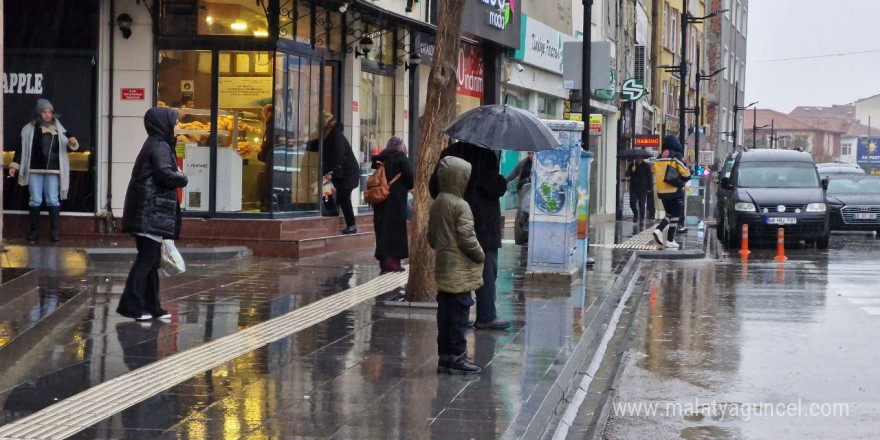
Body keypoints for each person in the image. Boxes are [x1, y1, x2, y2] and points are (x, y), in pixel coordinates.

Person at [117, 107, 189, 321]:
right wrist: (182, 178)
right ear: (164, 124)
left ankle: (152, 306)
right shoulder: (159, 146)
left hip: (149, 212)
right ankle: (132, 305)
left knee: (151, 259)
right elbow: (165, 175)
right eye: (175, 123)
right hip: (149, 212)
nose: (178, 127)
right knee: (147, 260)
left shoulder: (158, 144)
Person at [429, 141, 510, 330]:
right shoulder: (486, 155)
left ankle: (455, 315)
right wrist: (501, 180)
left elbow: (434, 187)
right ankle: (486, 315)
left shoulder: (448, 154)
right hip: (483, 224)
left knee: (454, 269)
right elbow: (495, 188)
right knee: (487, 271)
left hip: (452, 223)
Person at [428, 156, 485, 375]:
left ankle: (445, 356)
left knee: (445, 316)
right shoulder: (461, 206)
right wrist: (480, 255)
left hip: (444, 268)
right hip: (459, 271)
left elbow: (431, 237)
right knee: (460, 317)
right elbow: (467, 238)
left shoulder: (438, 202)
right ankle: (458, 357)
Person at [9, 99, 80, 242]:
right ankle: (34, 232)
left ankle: (54, 232)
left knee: (53, 199)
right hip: (34, 169)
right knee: (35, 200)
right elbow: (21, 149)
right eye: (44, 112)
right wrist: (14, 165)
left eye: (50, 112)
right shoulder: (28, 130)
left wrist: (73, 143)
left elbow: (69, 146)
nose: (47, 115)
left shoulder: (61, 131)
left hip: (53, 170)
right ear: (39, 113)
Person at [308, 114, 360, 234]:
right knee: (323, 189)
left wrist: (329, 173)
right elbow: (319, 144)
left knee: (343, 198)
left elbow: (338, 157)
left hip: (347, 173)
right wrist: (303, 144)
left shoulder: (336, 136)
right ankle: (332, 210)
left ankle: (351, 225)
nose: (317, 129)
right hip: (339, 172)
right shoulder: (330, 135)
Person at [371, 136, 414, 273]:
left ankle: (384, 264)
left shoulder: (380, 158)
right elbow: (410, 179)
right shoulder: (401, 157)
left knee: (382, 231)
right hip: (396, 201)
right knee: (396, 232)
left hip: (379, 199)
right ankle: (394, 264)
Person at [652, 135, 691, 249]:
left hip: (662, 192)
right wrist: (686, 175)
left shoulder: (659, 157)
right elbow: (685, 172)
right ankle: (669, 239)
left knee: (669, 213)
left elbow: (655, 171)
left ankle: (660, 231)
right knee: (676, 214)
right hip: (675, 190)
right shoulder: (676, 155)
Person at [625, 155, 653, 224]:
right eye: (637, 158)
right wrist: (632, 170)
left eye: (640, 158)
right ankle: (636, 214)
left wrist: (650, 188)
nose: (639, 159)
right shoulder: (632, 164)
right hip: (633, 188)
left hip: (643, 188)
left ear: (642, 159)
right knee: (632, 202)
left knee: (642, 204)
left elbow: (650, 177)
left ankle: (642, 219)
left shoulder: (646, 166)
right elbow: (627, 174)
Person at [257, 104, 274, 211]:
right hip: (273, 153)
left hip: (271, 154)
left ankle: (266, 203)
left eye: (264, 114)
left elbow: (269, 140)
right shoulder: (277, 121)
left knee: (268, 179)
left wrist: (262, 147)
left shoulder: (270, 122)